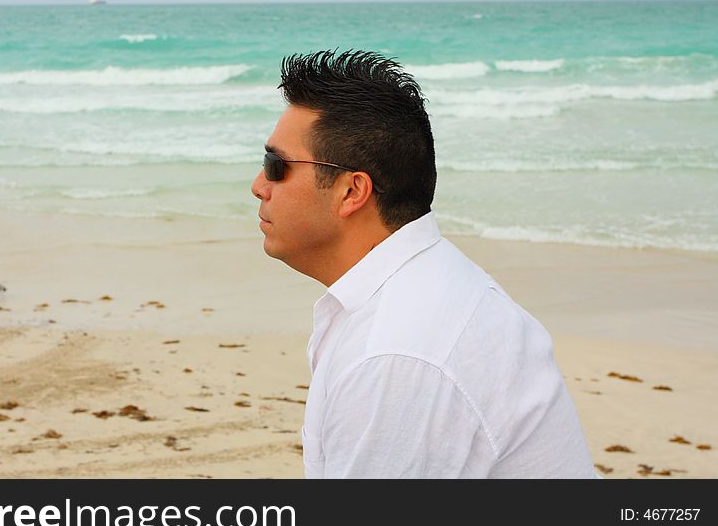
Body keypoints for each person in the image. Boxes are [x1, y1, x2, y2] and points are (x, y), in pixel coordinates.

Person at [250, 50, 598, 478]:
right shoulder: (425, 286)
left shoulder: (397, 354)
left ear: (351, 191)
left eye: (275, 165)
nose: (259, 186)